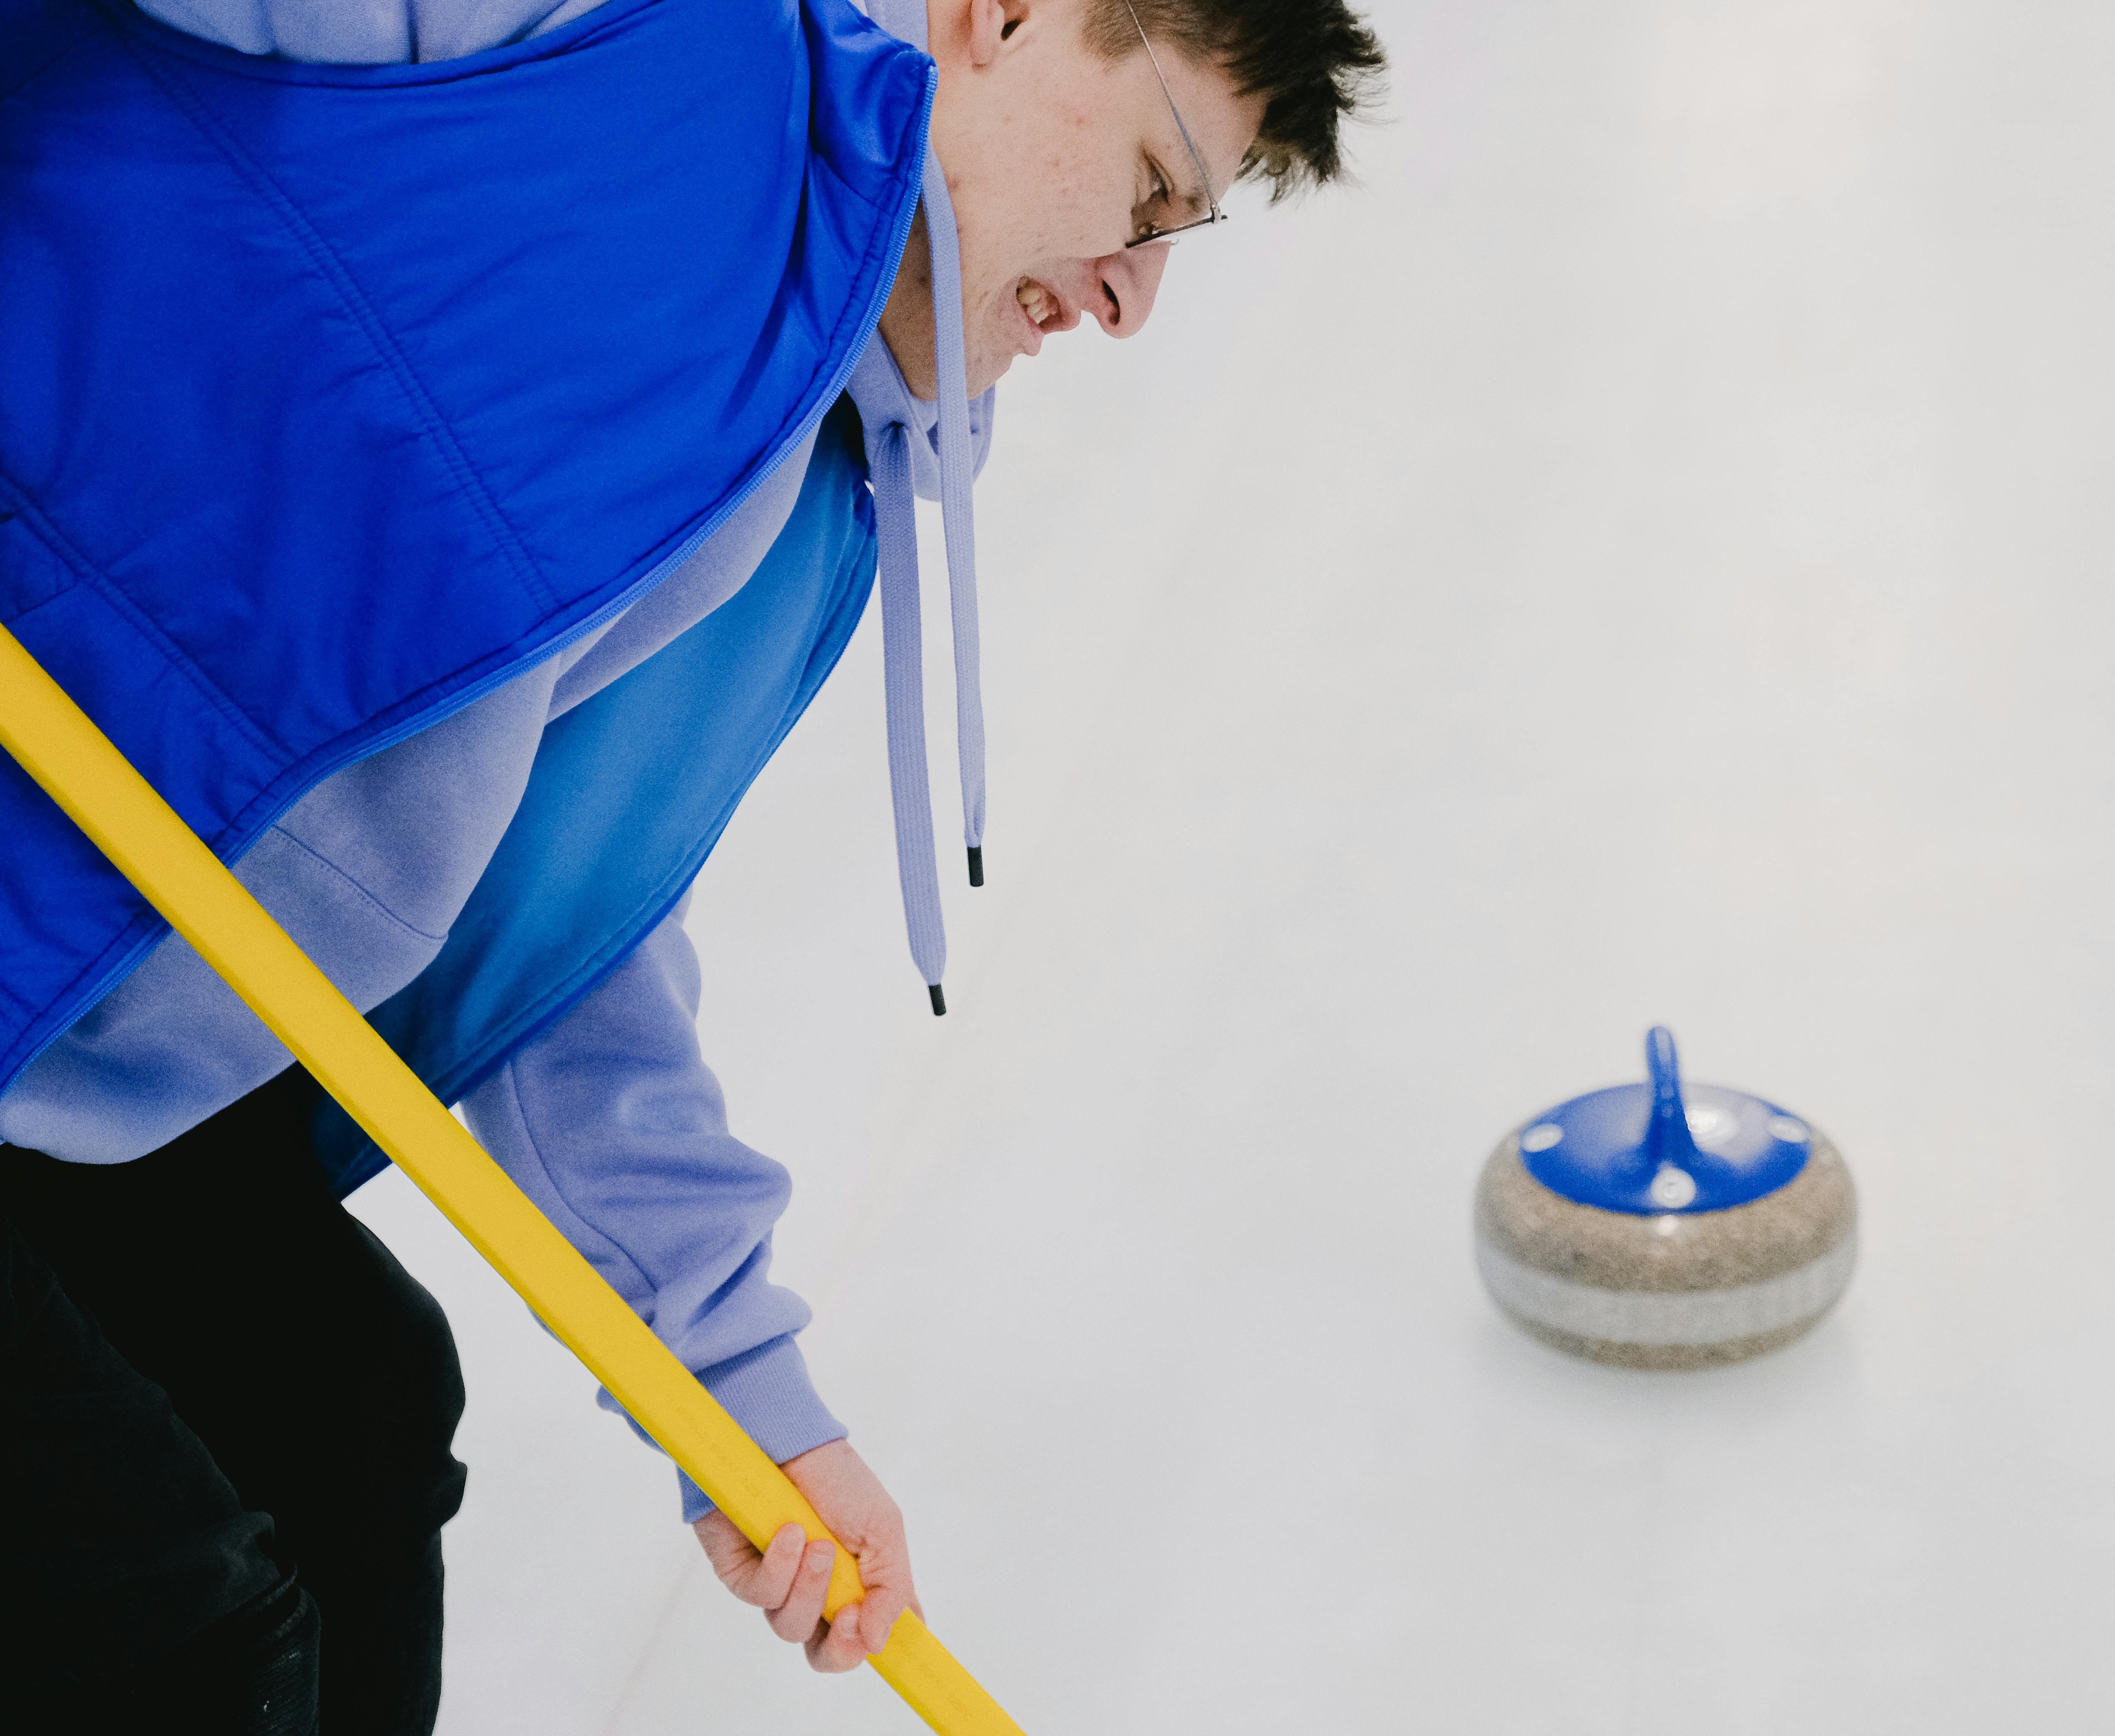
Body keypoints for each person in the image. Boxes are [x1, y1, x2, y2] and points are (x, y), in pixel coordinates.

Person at [0, 0, 1382, 1728]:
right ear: (1000, 17)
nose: (1132, 295)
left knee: (346, 1422)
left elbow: (554, 952)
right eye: (1156, 190)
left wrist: (746, 1396)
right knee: (159, 1626)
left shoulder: (792, 488)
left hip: (75, 1059)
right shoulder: (603, 36)